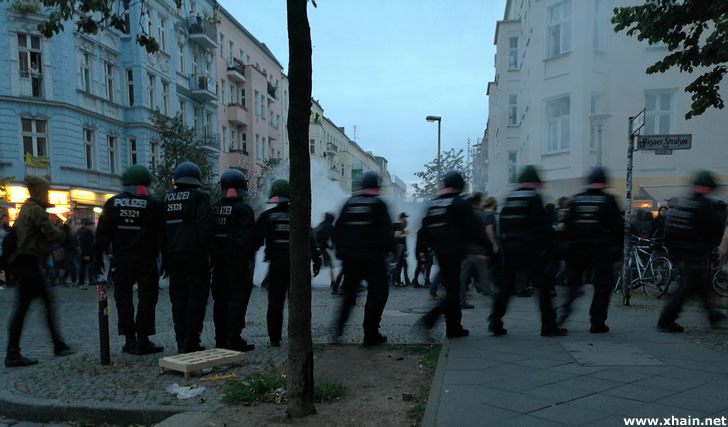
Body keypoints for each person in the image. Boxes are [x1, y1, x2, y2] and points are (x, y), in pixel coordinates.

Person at [489, 165, 566, 337]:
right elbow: (541, 225)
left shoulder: (510, 197)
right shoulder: (534, 197)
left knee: (506, 288)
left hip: (510, 250)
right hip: (531, 250)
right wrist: (549, 247)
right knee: (543, 288)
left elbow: (504, 222)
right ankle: (549, 325)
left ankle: (495, 321)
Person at [95, 165, 164, 355]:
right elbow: (162, 235)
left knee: (123, 298)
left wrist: (97, 257)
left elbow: (102, 234)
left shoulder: (112, 203)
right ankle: (143, 339)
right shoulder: (154, 204)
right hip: (146, 260)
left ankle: (129, 339)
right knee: (147, 299)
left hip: (122, 260)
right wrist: (164, 257)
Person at [5, 177, 73, 367]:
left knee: (39, 305)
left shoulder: (27, 208)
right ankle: (13, 353)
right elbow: (52, 234)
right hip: (29, 263)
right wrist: (64, 231)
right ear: (40, 191)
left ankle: (57, 344)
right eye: (46, 190)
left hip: (29, 263)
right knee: (25, 308)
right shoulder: (35, 209)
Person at [418, 170, 485, 339]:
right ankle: (430, 318)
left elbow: (425, 229)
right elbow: (474, 229)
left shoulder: (434, 204)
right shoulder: (459, 203)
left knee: (452, 290)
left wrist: (425, 249)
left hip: (440, 252)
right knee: (453, 292)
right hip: (455, 253)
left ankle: (454, 327)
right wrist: (486, 249)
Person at [657, 170, 726, 332]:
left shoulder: (681, 204)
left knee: (699, 285)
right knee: (686, 289)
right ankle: (666, 321)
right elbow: (714, 232)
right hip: (694, 254)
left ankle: (713, 315)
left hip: (680, 254)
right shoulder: (706, 206)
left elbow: (669, 232)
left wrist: (674, 253)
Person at [558, 167, 622, 333]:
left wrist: (567, 249)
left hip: (578, 249)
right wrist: (617, 251)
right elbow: (618, 228)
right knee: (602, 286)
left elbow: (568, 226)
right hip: (602, 249)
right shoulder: (609, 200)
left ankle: (564, 309)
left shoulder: (577, 200)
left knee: (573, 282)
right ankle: (597, 322)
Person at [333, 171, 393, 346]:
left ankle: (338, 329)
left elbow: (338, 230)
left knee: (349, 295)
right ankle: (371, 333)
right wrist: (390, 252)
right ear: (376, 186)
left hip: (351, 259)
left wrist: (342, 253)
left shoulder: (349, 203)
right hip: (373, 259)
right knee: (378, 294)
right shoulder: (378, 203)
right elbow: (386, 232)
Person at [162, 162, 215, 353]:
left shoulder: (166, 198)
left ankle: (180, 340)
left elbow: (161, 230)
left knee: (178, 299)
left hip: (172, 257)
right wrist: (211, 254)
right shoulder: (199, 197)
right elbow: (205, 228)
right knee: (196, 298)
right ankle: (192, 341)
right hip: (195, 256)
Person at [211, 169, 256, 352]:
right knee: (237, 301)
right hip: (237, 265)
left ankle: (220, 338)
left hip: (218, 264)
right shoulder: (244, 209)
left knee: (220, 301)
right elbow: (248, 239)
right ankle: (234, 339)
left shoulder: (214, 207)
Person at [253, 179, 293, 347]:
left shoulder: (266, 217)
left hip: (276, 266)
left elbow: (256, 242)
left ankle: (274, 338)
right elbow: (309, 241)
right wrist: (316, 258)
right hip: (295, 267)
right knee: (296, 303)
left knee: (275, 303)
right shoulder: (298, 215)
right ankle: (297, 334)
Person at [459, 192, 490, 309]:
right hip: (475, 251)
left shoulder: (465, 214)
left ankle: (461, 300)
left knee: (463, 276)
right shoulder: (480, 215)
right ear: (478, 202)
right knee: (483, 275)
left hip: (464, 250)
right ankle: (496, 300)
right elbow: (482, 234)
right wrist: (484, 251)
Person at [313, 212, 339, 295]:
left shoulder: (321, 225)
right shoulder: (330, 226)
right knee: (330, 265)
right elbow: (334, 238)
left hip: (318, 247)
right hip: (324, 247)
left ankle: (333, 281)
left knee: (322, 265)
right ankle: (333, 282)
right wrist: (332, 246)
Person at [76, 218, 96, 290]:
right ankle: (82, 283)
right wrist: (85, 254)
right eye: (91, 225)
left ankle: (82, 283)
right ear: (87, 225)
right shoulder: (85, 232)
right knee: (84, 268)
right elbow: (84, 244)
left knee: (83, 268)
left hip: (87, 253)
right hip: (87, 253)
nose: (92, 226)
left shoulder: (84, 231)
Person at [392, 212, 410, 287]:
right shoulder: (398, 225)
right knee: (398, 264)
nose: (405, 219)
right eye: (405, 218)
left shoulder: (397, 225)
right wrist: (405, 234)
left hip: (399, 247)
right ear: (402, 218)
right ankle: (397, 281)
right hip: (399, 247)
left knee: (399, 264)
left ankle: (397, 281)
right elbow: (396, 235)